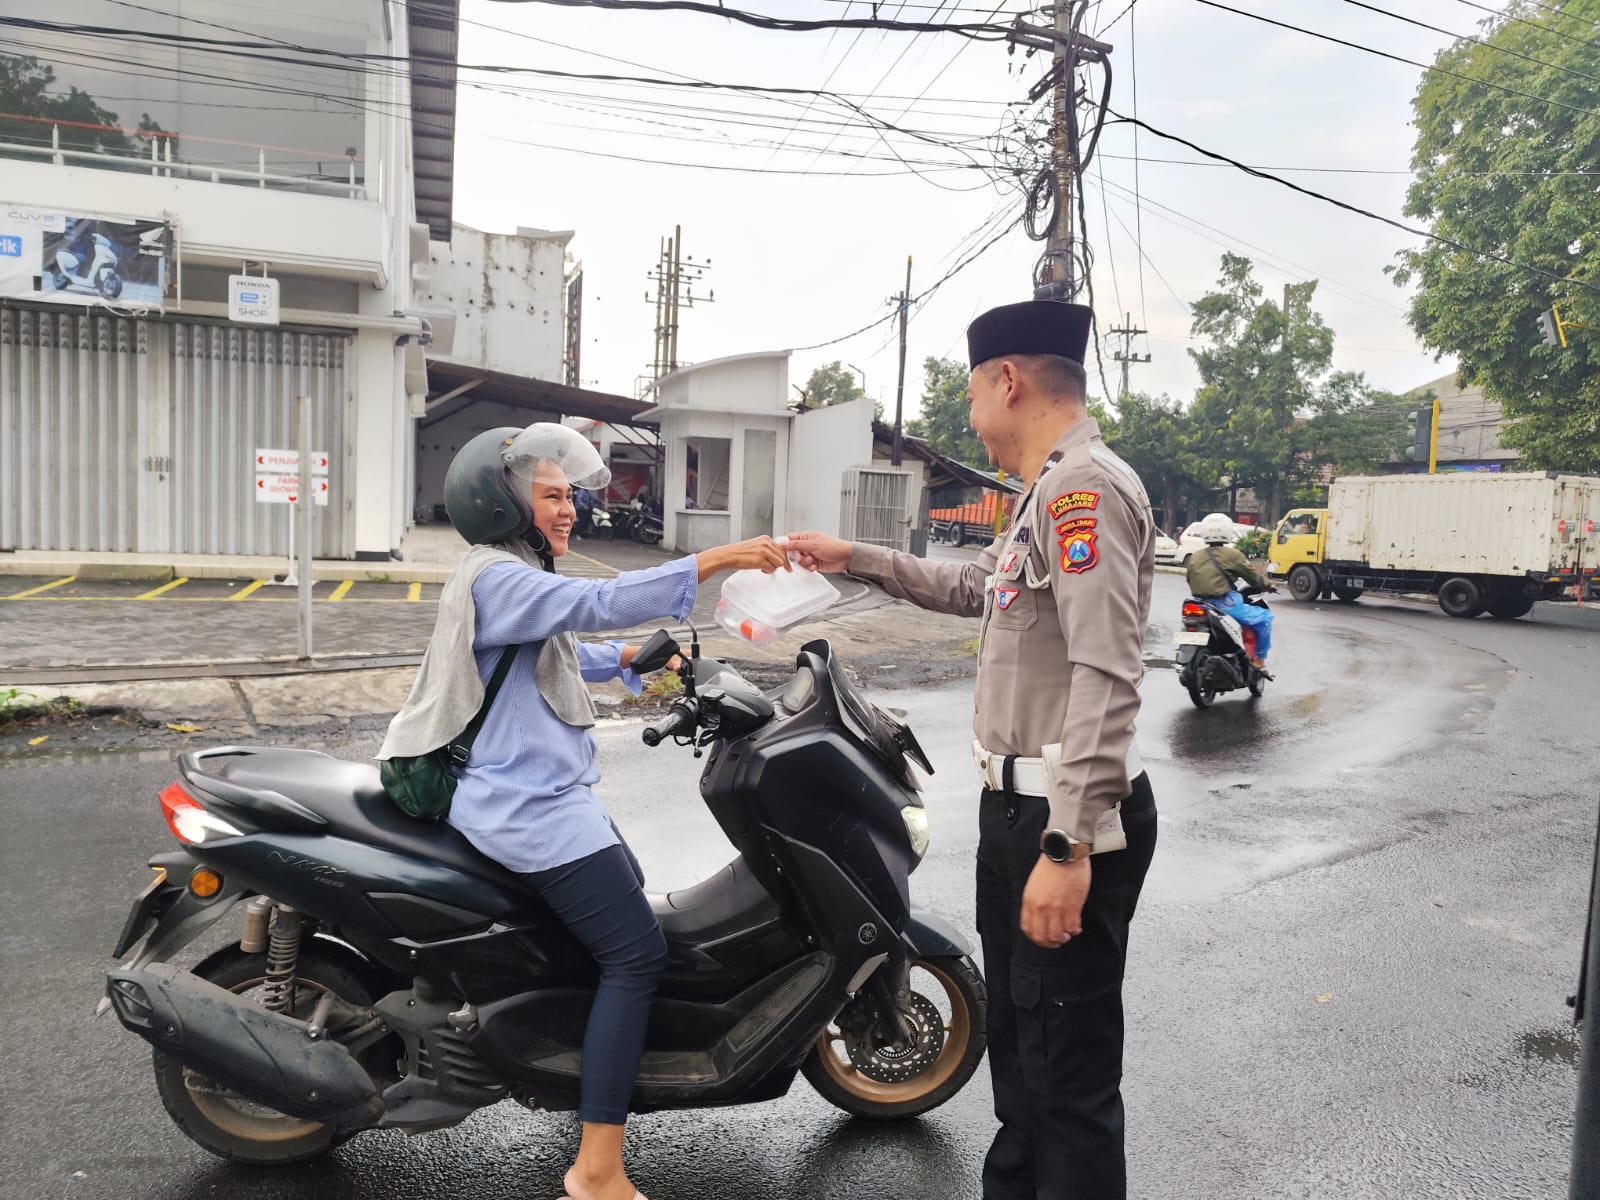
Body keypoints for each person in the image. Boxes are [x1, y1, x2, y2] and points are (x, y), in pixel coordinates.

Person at [787, 300, 1157, 1200]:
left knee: (1066, 1080)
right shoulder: (1042, 494)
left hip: (1064, 817)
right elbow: (971, 588)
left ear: (1009, 380)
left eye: (971, 394)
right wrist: (853, 555)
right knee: (1023, 1066)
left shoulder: (1085, 493)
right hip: (1019, 811)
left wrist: (1067, 845)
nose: (971, 415)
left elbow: (1107, 672)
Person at [379, 423, 788, 1200]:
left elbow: (555, 651)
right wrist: (718, 559)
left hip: (544, 797)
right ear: (502, 503)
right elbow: (595, 604)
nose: (569, 510)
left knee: (624, 893)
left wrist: (638, 657)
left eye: (570, 496)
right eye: (551, 496)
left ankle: (582, 1059)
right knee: (636, 955)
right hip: (525, 807)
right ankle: (596, 1170)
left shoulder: (512, 573)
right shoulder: (497, 577)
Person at [1184, 515, 1276, 670]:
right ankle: (1259, 661)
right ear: (1227, 531)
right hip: (1224, 604)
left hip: (1198, 603)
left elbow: (1189, 578)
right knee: (1264, 620)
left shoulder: (1195, 556)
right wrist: (1268, 585)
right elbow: (1252, 576)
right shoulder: (1233, 555)